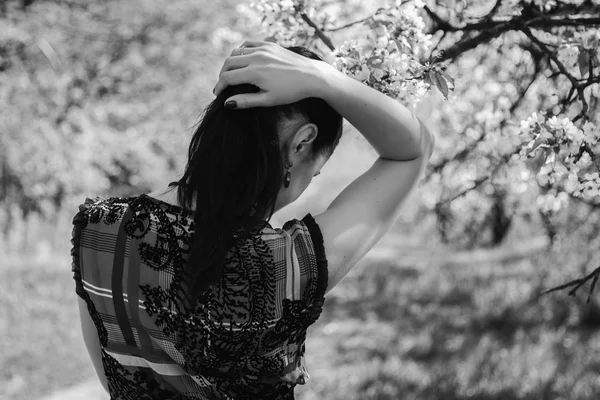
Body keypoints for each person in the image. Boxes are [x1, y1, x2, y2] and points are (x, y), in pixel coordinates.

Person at [71, 40, 435, 400]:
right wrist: (324, 79)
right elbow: (412, 150)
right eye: (316, 173)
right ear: (300, 144)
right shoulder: (283, 267)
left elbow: (110, 378)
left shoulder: (98, 230)